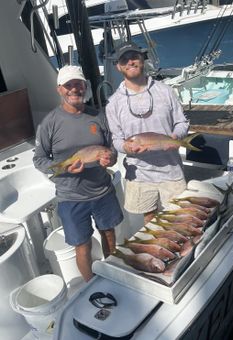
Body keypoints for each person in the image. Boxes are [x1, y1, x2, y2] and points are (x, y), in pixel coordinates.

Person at [33, 65, 123, 282]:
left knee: (109, 234)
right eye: (68, 85)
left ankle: (114, 275)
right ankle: (90, 283)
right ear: (59, 90)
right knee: (82, 246)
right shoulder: (49, 123)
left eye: (78, 84)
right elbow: (39, 159)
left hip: (102, 190)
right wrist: (64, 167)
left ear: (85, 87)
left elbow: (111, 149)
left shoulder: (98, 116)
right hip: (71, 198)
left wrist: (110, 158)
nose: (74, 89)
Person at [106, 42, 190, 225]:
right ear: (118, 66)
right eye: (124, 59)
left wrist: (176, 137)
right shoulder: (113, 103)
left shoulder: (165, 91)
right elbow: (117, 139)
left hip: (171, 171)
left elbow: (181, 122)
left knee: (179, 220)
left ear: (143, 59)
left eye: (134, 57)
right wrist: (126, 146)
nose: (130, 62)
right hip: (139, 175)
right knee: (149, 220)